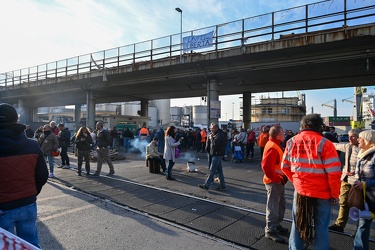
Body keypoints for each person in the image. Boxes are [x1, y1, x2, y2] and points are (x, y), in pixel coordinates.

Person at [281, 114, 341, 249]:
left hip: (301, 192)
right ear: (319, 126)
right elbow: (334, 173)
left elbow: (284, 167)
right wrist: (335, 194)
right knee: (321, 227)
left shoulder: (291, 142)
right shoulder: (325, 143)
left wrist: (296, 183)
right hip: (322, 193)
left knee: (298, 224)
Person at [0, 103, 49, 248]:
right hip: (27, 203)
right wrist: (31, 193)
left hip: (3, 206)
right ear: (16, 120)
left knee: (4, 246)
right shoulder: (32, 145)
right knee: (31, 243)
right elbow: (42, 175)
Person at [328, 129, 361, 233]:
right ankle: (340, 224)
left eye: (353, 136)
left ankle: (359, 228)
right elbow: (334, 145)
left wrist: (356, 172)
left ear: (359, 138)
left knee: (358, 204)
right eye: (349, 136)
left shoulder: (364, 149)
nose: (350, 138)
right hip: (346, 179)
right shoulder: (348, 146)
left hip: (358, 182)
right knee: (343, 202)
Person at [261, 125, 288, 243]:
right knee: (273, 206)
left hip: (277, 181)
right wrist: (276, 177)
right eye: (283, 133)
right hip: (274, 182)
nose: (284, 134)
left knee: (280, 205)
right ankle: (270, 230)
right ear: (278, 135)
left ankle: (275, 225)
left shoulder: (273, 144)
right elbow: (266, 167)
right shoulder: (273, 147)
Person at [352, 130, 375, 250]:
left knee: (363, 226)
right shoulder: (362, 153)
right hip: (365, 199)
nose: (358, 140)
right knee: (363, 226)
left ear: (367, 140)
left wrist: (364, 184)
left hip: (372, 197)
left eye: (360, 138)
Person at [198, 123, 226, 190]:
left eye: (212, 128)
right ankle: (222, 185)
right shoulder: (215, 134)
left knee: (212, 170)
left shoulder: (219, 135)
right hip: (214, 154)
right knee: (219, 171)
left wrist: (211, 138)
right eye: (210, 128)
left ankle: (207, 185)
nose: (211, 129)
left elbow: (216, 144)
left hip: (217, 154)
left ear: (216, 128)